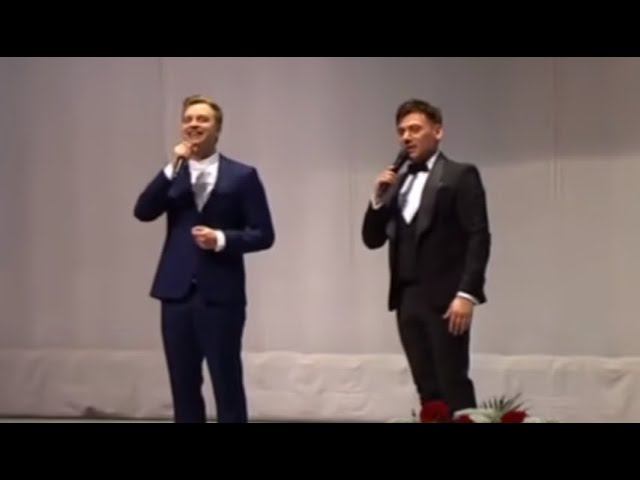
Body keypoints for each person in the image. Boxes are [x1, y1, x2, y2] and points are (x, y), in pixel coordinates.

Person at [134, 94, 275, 423]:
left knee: (226, 381)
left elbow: (263, 234)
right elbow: (143, 211)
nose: (193, 124)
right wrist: (172, 167)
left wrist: (222, 239)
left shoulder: (242, 176)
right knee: (182, 384)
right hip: (176, 293)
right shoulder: (175, 174)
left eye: (202, 119)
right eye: (188, 119)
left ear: (217, 128)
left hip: (220, 294)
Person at [361, 99, 491, 414]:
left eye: (415, 129)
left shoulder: (460, 175)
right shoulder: (398, 182)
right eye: (402, 131)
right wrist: (377, 199)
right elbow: (372, 239)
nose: (407, 137)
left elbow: (478, 236)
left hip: (447, 299)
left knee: (452, 381)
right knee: (426, 386)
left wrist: (467, 293)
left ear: (438, 132)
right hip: (407, 298)